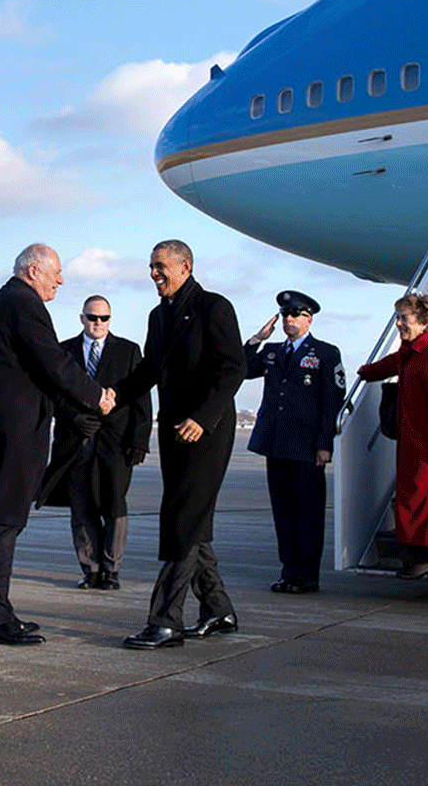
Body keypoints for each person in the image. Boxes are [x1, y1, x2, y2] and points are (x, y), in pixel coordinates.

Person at [0, 244, 113, 646]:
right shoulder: (22, 303)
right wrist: (96, 396)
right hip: (11, 438)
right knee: (1, 524)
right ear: (33, 270)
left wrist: (73, 414)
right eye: (55, 272)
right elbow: (54, 363)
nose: (60, 280)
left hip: (9, 434)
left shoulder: (10, 301)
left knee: (4, 523)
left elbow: (39, 374)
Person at [114, 240, 246, 649]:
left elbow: (233, 367)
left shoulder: (214, 308)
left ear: (185, 266)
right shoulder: (159, 316)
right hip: (173, 431)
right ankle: (217, 609)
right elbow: (149, 372)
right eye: (151, 267)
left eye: (160, 266)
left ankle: (165, 620)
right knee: (192, 520)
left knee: (182, 519)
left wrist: (203, 418)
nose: (154, 273)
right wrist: (108, 395)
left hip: (206, 432)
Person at [37, 295, 149, 589]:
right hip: (75, 441)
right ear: (82, 318)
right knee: (81, 507)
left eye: (104, 318)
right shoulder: (63, 351)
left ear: (110, 319)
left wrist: (140, 440)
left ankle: (112, 569)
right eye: (92, 317)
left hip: (115, 443)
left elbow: (141, 398)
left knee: (114, 505)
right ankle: (91, 569)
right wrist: (74, 418)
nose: (98, 323)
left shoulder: (128, 351)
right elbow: (53, 393)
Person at [243, 290, 345, 593]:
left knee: (308, 512)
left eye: (295, 315)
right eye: (285, 315)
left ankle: (307, 575)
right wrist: (256, 340)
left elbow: (332, 401)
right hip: (276, 443)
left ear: (308, 319)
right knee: (283, 511)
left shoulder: (325, 353)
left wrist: (325, 443)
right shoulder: (273, 351)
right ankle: (288, 571)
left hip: (306, 446)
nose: (288, 320)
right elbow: (244, 369)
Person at [357, 291, 428, 579]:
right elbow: (387, 365)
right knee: (410, 501)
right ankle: (413, 559)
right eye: (398, 318)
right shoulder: (410, 351)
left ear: (423, 321)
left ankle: (422, 561)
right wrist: (364, 372)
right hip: (411, 443)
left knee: (422, 503)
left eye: (404, 318)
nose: (399, 324)